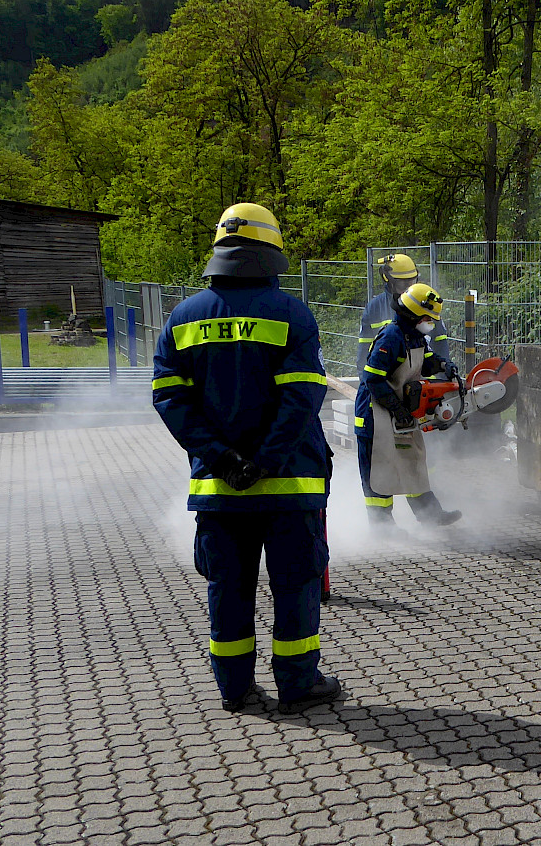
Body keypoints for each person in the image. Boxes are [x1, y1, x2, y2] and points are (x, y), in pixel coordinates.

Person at [152, 202, 340, 714]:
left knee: (227, 590)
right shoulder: (292, 314)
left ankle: (235, 689)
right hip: (288, 488)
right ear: (270, 251)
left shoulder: (183, 317)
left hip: (219, 491)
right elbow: (301, 398)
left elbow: (169, 398)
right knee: (296, 588)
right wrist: (265, 461)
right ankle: (298, 686)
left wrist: (224, 459)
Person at [354, 282, 463, 528]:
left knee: (413, 462)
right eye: (428, 317)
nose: (431, 323)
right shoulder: (391, 336)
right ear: (413, 314)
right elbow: (372, 379)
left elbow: (425, 363)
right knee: (379, 473)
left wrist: (442, 365)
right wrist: (398, 409)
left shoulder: (415, 336)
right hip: (375, 416)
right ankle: (382, 528)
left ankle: (430, 515)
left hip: (398, 413)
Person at [357, 253, 451, 373]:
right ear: (388, 279)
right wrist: (368, 386)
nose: (408, 287)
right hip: (390, 384)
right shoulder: (374, 308)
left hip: (424, 383)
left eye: (412, 282)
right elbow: (364, 355)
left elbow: (441, 346)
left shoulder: (426, 305)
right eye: (403, 283)